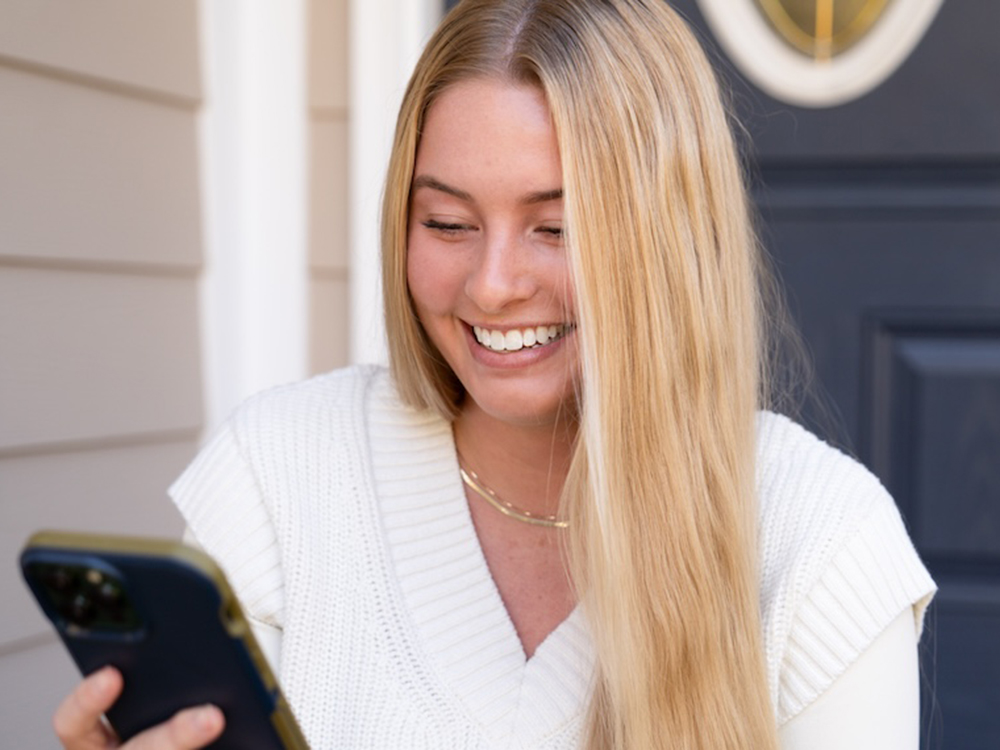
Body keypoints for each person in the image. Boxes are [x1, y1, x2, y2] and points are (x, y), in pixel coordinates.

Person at [52, 1, 936, 748]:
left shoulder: (822, 545)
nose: (492, 284)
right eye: (446, 223)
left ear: (669, 246)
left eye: (557, 227)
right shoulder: (279, 472)